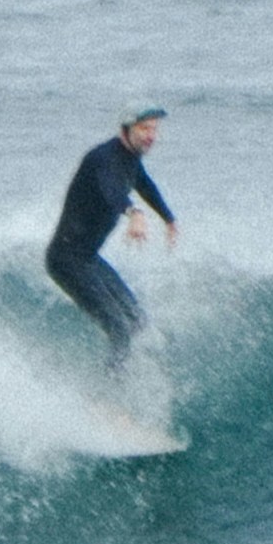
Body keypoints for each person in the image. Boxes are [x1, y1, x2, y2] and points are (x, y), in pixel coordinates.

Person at [45, 109, 178, 367]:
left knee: (137, 320)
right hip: (66, 260)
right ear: (126, 129)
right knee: (120, 328)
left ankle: (125, 379)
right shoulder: (103, 159)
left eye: (154, 129)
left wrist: (168, 218)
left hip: (88, 259)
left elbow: (144, 184)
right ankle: (109, 396)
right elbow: (112, 190)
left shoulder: (131, 158)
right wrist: (133, 212)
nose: (151, 135)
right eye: (144, 129)